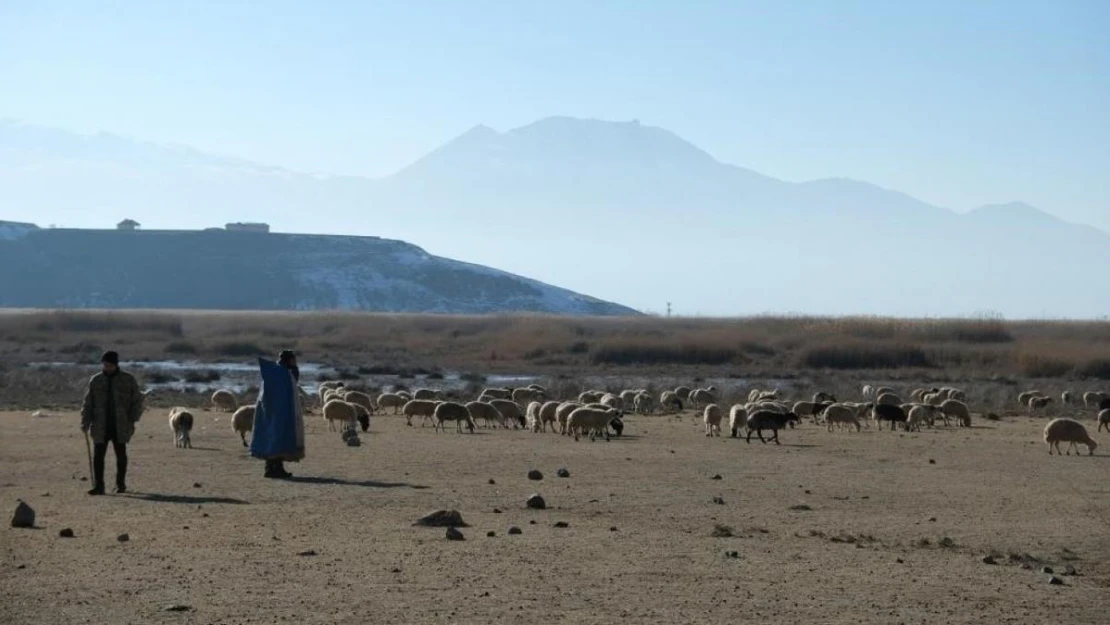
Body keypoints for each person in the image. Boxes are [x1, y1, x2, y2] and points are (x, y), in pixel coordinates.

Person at [80, 351, 145, 495]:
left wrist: (133, 419)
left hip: (121, 425)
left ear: (115, 365)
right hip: (100, 425)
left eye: (109, 365)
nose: (107, 367)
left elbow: (137, 401)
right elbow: (88, 403)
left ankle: (120, 484)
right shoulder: (96, 380)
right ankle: (99, 486)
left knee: (121, 455)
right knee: (98, 457)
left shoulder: (127, 380)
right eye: (105, 365)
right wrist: (85, 421)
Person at [256, 349, 305, 479]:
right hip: (279, 411)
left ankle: (274, 468)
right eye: (293, 359)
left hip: (274, 411)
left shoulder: (278, 372)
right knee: (278, 438)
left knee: (276, 438)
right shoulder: (282, 373)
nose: (295, 362)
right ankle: (274, 468)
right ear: (289, 360)